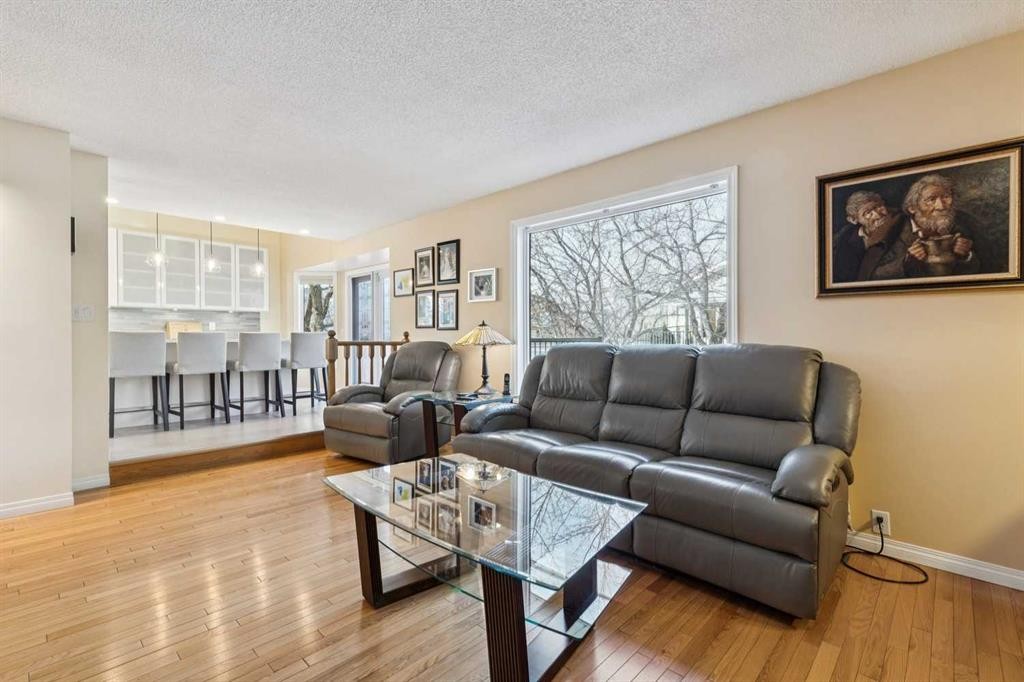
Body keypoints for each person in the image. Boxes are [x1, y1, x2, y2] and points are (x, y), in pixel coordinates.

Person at [900, 174, 980, 277]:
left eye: (946, 197)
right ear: (912, 208)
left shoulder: (966, 223)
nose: (941, 206)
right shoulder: (896, 230)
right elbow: (879, 276)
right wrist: (908, 261)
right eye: (931, 200)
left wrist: (967, 256)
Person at [833, 191, 905, 282]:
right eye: (868, 213)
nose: (877, 215)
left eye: (878, 207)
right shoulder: (846, 238)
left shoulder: (902, 222)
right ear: (854, 220)